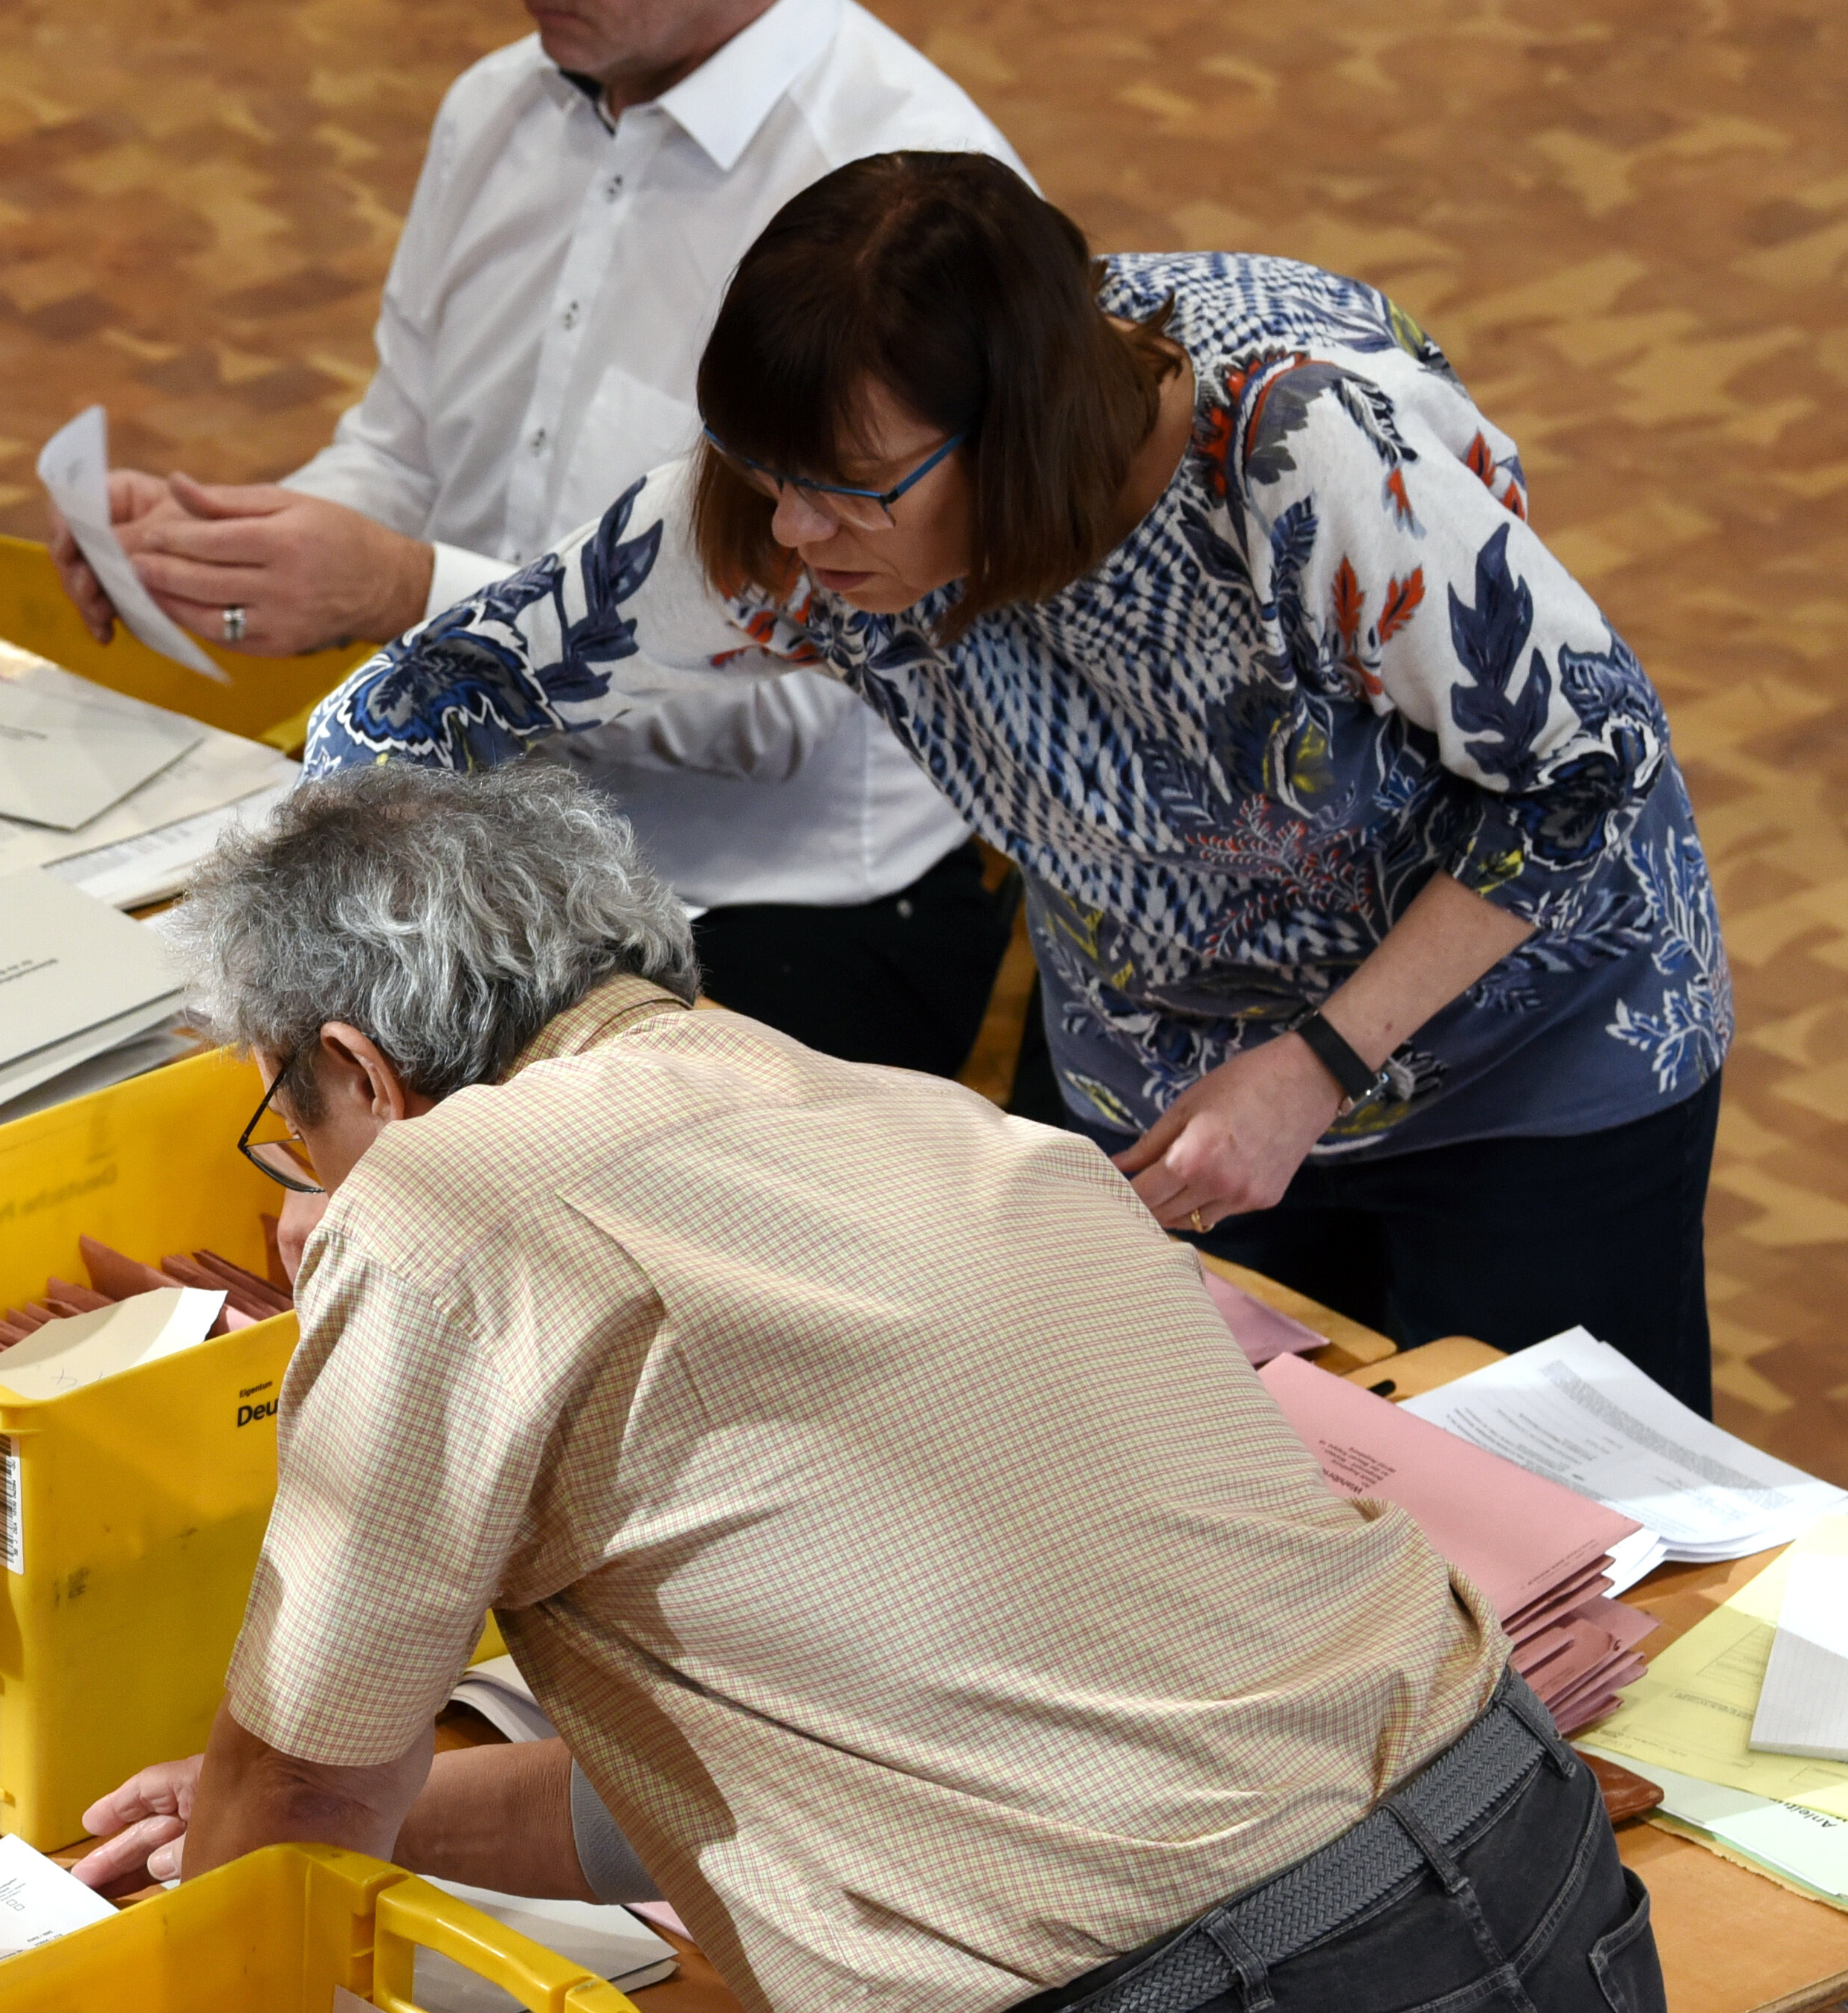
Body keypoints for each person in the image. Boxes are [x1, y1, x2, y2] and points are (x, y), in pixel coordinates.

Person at [78, 757, 1661, 2013]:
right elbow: (782, 1750)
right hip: (1534, 1885)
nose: (294, 1178)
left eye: (285, 1125)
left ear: (362, 1070)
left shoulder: (442, 1200)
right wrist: (394, 1820)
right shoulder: (914, 1116)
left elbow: (297, 1799)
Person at [300, 151, 1729, 1410]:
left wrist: (1320, 1064)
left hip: (1523, 1054)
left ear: (1017, 438)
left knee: (1577, 1539)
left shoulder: (1304, 456)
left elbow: (1589, 769)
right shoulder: (798, 494)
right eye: (765, 470)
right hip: (1174, 1088)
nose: (793, 535)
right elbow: (436, 688)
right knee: (1233, 1497)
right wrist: (337, 1003)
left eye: (850, 488)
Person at [48, 0, 1023, 1075]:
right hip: (470, 838)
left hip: (778, 906)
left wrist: (406, 593)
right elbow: (402, 453)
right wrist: (220, 546)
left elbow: (805, 708)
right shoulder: (493, 105)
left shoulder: (902, 200)